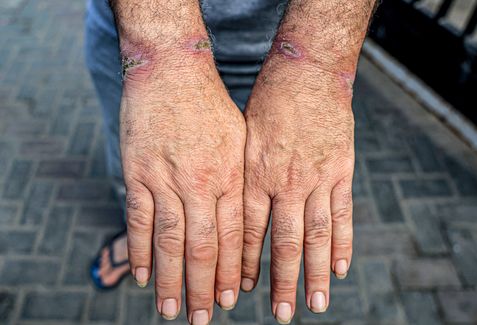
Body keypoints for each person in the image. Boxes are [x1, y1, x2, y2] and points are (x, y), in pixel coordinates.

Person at [85, 0, 376, 324]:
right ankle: (138, 237)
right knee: (145, 177)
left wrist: (317, 60)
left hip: (297, 46)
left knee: (261, 190)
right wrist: (161, 50)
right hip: (136, 37)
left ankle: (220, 239)